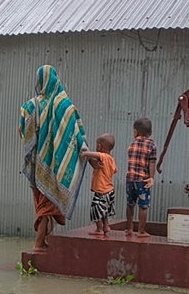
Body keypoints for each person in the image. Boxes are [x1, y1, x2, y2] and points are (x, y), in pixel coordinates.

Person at [19, 65, 89, 251]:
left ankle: (43, 241)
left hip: (37, 166)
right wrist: (86, 152)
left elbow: (22, 132)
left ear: (40, 81)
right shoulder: (65, 106)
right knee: (49, 205)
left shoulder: (30, 105)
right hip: (58, 166)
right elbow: (77, 134)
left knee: (44, 204)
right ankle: (39, 244)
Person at [80, 133, 118, 236]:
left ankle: (99, 229)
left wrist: (85, 154)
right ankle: (106, 226)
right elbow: (115, 170)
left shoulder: (104, 157)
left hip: (101, 191)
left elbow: (98, 155)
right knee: (104, 211)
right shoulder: (111, 159)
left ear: (99, 147)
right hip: (110, 191)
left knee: (96, 209)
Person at [126, 118, 157, 238]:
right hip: (143, 180)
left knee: (130, 204)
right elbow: (152, 163)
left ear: (136, 132)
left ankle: (129, 229)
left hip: (130, 179)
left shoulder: (132, 144)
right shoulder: (151, 145)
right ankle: (141, 231)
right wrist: (151, 178)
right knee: (143, 205)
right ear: (150, 133)